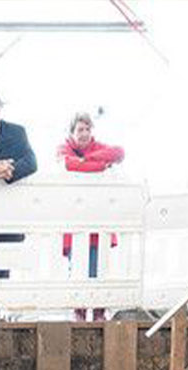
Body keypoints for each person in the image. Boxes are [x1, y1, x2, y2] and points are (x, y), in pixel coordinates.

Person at [58, 111, 125, 299]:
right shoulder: (64, 148)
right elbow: (68, 164)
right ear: (72, 132)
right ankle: (79, 311)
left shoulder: (99, 147)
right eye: (80, 129)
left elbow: (119, 152)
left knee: (98, 270)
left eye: (88, 129)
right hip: (75, 219)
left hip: (98, 218)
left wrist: (85, 160)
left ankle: (98, 310)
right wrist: (101, 164)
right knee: (77, 270)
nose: (84, 133)